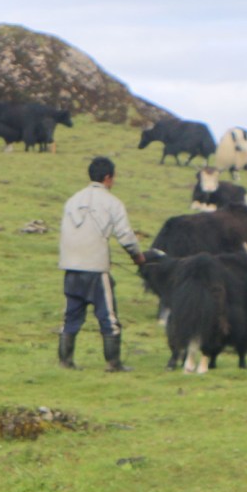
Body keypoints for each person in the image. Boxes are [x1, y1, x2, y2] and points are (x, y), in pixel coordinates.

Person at [58, 156, 144, 371]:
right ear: (108, 178)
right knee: (108, 317)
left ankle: (65, 360)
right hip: (95, 268)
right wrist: (138, 258)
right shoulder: (112, 203)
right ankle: (113, 363)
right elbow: (125, 236)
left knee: (71, 315)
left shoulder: (72, 200)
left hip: (70, 266)